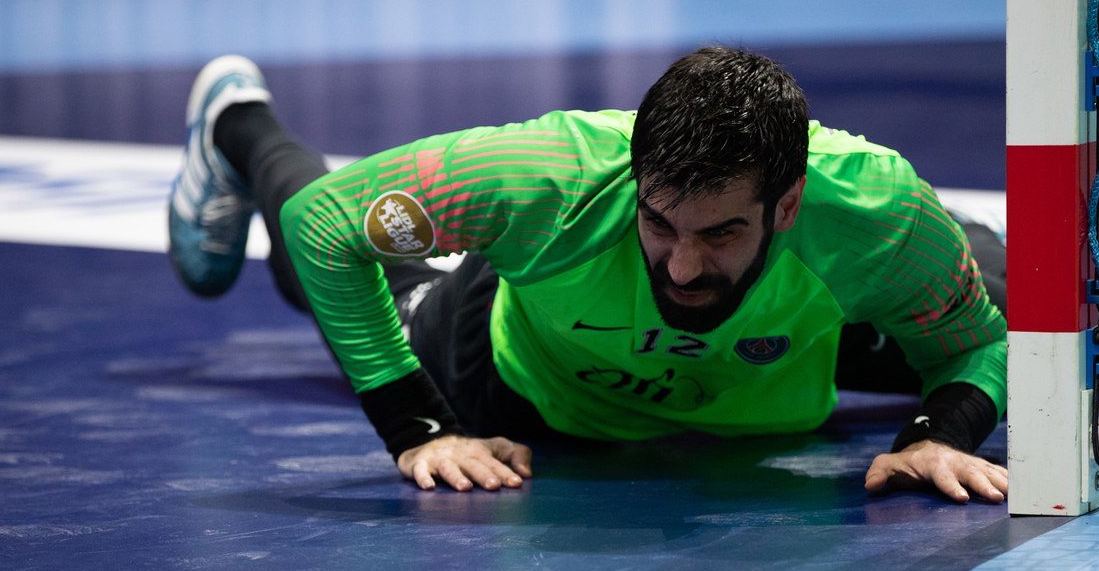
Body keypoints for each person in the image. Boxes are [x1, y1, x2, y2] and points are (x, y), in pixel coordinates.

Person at [167, 47, 1009, 503]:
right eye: (659, 222)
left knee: (1058, 316)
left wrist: (941, 433)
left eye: (719, 232)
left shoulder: (874, 215)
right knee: (331, 278)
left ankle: (962, 247)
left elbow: (987, 348)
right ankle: (237, 125)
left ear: (786, 206)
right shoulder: (545, 176)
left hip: (782, 361)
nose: (683, 265)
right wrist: (418, 426)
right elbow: (324, 226)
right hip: (512, 376)